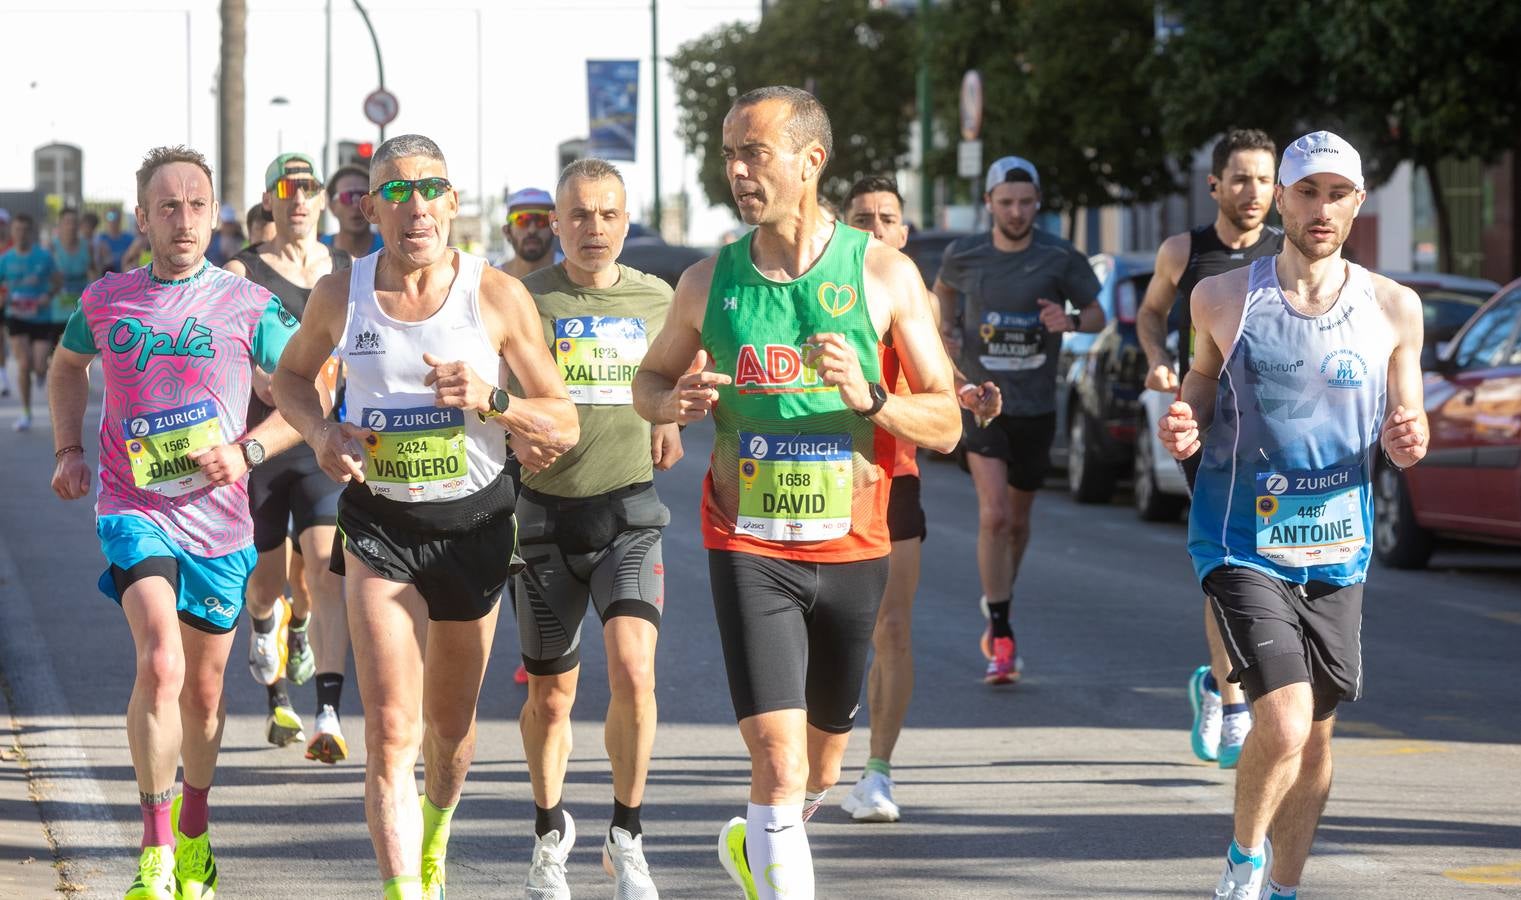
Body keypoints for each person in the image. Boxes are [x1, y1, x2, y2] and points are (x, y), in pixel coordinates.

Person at [632, 86, 959, 900]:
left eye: (755, 152)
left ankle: (760, 838)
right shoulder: (710, 283)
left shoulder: (883, 274)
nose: (738, 170)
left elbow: (948, 420)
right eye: (730, 154)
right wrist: (666, 404)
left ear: (811, 162)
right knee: (774, 760)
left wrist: (873, 400)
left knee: (820, 764)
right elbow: (647, 379)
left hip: (853, 546)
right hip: (747, 542)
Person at [272, 133, 579, 900]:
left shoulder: (497, 294)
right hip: (380, 526)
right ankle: (403, 887)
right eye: (397, 191)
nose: (415, 206)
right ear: (372, 207)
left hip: (473, 529)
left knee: (450, 738)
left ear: (452, 201)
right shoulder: (342, 292)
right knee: (389, 734)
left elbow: (563, 420)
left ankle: (433, 839)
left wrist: (491, 400)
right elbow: (291, 379)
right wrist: (321, 432)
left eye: (430, 188)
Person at [1157, 131, 1428, 900]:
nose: (1320, 208)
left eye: (1336, 194)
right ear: (1282, 199)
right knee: (1280, 717)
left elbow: (1405, 431)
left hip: (1338, 549)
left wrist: (1409, 438)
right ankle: (1241, 862)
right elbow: (1199, 388)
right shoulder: (1224, 297)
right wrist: (1185, 418)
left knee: (1312, 742)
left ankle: (1283, 887)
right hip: (1240, 539)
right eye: (1306, 192)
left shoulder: (1392, 309)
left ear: (1356, 204)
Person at [49, 144, 308, 900]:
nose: (184, 219)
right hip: (136, 509)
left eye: (197, 205)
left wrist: (249, 448)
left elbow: (306, 391)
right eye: (168, 206)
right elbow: (69, 366)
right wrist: (70, 449)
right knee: (160, 663)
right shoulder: (106, 300)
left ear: (216, 216)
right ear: (143, 219)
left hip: (222, 523)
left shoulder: (248, 305)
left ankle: (194, 829)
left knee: (202, 691)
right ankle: (156, 847)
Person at [510, 158, 679, 899]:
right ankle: (550, 836)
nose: (594, 229)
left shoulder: (656, 297)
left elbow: (676, 374)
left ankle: (627, 834)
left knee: (635, 672)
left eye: (608, 214)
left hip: (628, 513)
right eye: (579, 215)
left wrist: (670, 414)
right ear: (555, 220)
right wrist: (506, 425)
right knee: (551, 697)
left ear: (625, 218)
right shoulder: (521, 297)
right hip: (543, 517)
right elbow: (485, 390)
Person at [833, 174, 996, 823]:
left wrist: (969, 394)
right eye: (862, 217)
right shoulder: (823, 290)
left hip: (894, 477)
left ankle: (877, 772)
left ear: (903, 232)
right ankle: (808, 755)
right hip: (820, 478)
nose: (874, 228)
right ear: (845, 227)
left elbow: (937, 378)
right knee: (827, 636)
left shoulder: (909, 292)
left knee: (891, 628)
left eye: (886, 218)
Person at [1137, 129, 1283, 770]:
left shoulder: (1290, 251)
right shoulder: (1184, 251)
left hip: (1276, 433)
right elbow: (1149, 313)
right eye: (1242, 179)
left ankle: (1241, 685)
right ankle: (1231, 700)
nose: (1254, 193)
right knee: (1227, 559)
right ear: (1215, 185)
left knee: (1272, 558)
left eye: (1265, 181)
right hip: (1206, 428)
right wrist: (1158, 361)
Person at [931, 155, 1104, 684]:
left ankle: (997, 595)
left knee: (1019, 523)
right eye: (1006, 203)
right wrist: (947, 331)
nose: (1016, 212)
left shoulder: (1060, 255)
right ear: (989, 204)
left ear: (1036, 204)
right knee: (995, 516)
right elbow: (942, 297)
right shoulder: (966, 255)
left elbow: (1097, 314)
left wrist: (1069, 320)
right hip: (985, 405)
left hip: (1037, 408)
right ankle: (1001, 633)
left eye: (1025, 203)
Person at [224, 152, 353, 761]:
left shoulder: (349, 269)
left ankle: (327, 711)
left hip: (324, 445)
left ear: (322, 199)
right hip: (265, 446)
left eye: (309, 187)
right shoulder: (243, 270)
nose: (298, 198)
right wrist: (250, 372)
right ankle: (266, 634)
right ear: (270, 202)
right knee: (269, 583)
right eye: (286, 188)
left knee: (326, 567)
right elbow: (221, 345)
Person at [0, 212, 58, 431]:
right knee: (24, 364)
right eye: (17, 230)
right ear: (12, 232)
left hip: (41, 317)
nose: (21, 234)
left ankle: (41, 373)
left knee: (40, 365)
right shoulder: (5, 259)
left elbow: (57, 281)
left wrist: (48, 295)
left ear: (32, 232)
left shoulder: (43, 257)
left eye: (25, 230)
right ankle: (25, 412)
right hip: (16, 317)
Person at [51, 207, 96, 355]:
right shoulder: (51, 247)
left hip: (80, 312)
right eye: (67, 222)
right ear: (60, 224)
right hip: (57, 311)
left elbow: (94, 274)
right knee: (56, 358)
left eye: (75, 222)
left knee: (78, 359)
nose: (71, 226)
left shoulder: (87, 246)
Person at [321, 164, 385, 257]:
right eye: (347, 197)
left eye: (363, 196)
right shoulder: (320, 251)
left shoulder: (389, 250)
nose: (356, 205)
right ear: (332, 206)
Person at [499, 187, 557, 280]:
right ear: (507, 231)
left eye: (542, 220)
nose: (532, 230)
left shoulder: (575, 274)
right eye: (522, 220)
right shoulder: (492, 281)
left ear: (555, 227)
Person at [97, 207, 138, 274]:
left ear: (120, 219)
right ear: (105, 219)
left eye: (115, 217)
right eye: (110, 216)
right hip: (106, 277)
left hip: (125, 277)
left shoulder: (129, 238)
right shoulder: (101, 239)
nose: (113, 221)